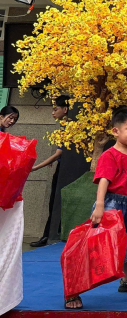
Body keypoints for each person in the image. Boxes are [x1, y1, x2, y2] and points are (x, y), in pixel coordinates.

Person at [65, 109, 127, 309]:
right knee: (97, 247)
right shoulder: (110, 155)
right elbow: (104, 181)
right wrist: (100, 205)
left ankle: (126, 280)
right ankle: (74, 290)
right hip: (111, 204)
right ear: (115, 131)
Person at [30, 95, 70, 248]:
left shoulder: (68, 127)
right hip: (63, 168)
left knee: (54, 202)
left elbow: (59, 153)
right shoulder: (65, 126)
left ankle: (48, 235)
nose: (53, 113)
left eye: (55, 109)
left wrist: (36, 167)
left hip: (63, 171)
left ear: (65, 109)